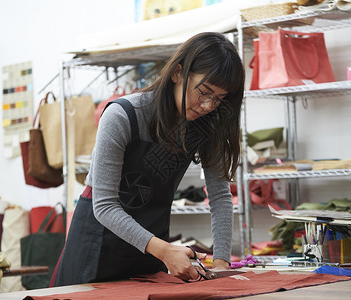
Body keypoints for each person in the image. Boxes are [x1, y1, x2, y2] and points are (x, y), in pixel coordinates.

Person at [53, 31, 245, 286]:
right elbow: (105, 206)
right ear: (177, 73)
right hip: (97, 245)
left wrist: (220, 263)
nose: (208, 105)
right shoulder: (123, 116)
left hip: (149, 249)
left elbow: (220, 197)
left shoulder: (206, 126)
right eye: (204, 92)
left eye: (219, 99)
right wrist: (164, 250)